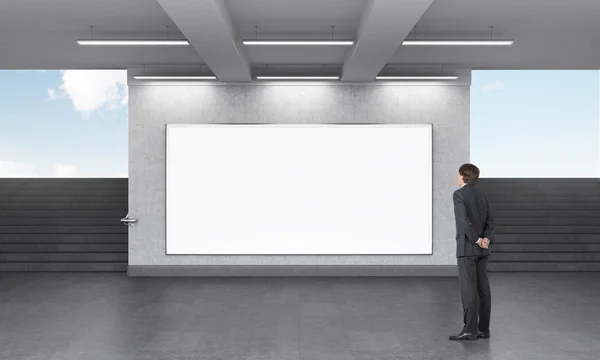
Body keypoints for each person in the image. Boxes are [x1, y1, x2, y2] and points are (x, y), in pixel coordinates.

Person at [449, 163, 494, 341]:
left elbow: (463, 221)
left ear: (462, 176)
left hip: (468, 249)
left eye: (458, 174)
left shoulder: (459, 194)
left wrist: (476, 240)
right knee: (483, 289)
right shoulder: (482, 196)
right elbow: (490, 221)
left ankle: (469, 330)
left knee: (469, 290)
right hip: (483, 250)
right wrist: (486, 239)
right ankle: (484, 329)